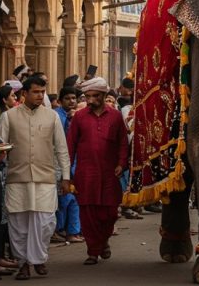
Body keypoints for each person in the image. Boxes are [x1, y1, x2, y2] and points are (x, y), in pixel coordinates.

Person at [0, 75, 71, 281]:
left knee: (45, 221)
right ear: (24, 93)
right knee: (19, 223)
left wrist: (65, 177)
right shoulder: (9, 116)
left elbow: (61, 149)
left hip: (45, 177)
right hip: (17, 178)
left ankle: (38, 258)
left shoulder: (52, 117)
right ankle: (23, 264)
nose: (40, 96)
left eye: (42, 92)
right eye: (36, 92)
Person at [67, 77, 128, 265]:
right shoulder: (80, 117)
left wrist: (121, 163)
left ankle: (103, 241)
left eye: (95, 96)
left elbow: (123, 144)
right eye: (88, 96)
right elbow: (70, 145)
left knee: (110, 212)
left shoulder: (116, 116)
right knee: (88, 213)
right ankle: (93, 251)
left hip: (110, 172)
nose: (91, 100)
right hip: (86, 173)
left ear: (103, 96)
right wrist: (66, 173)